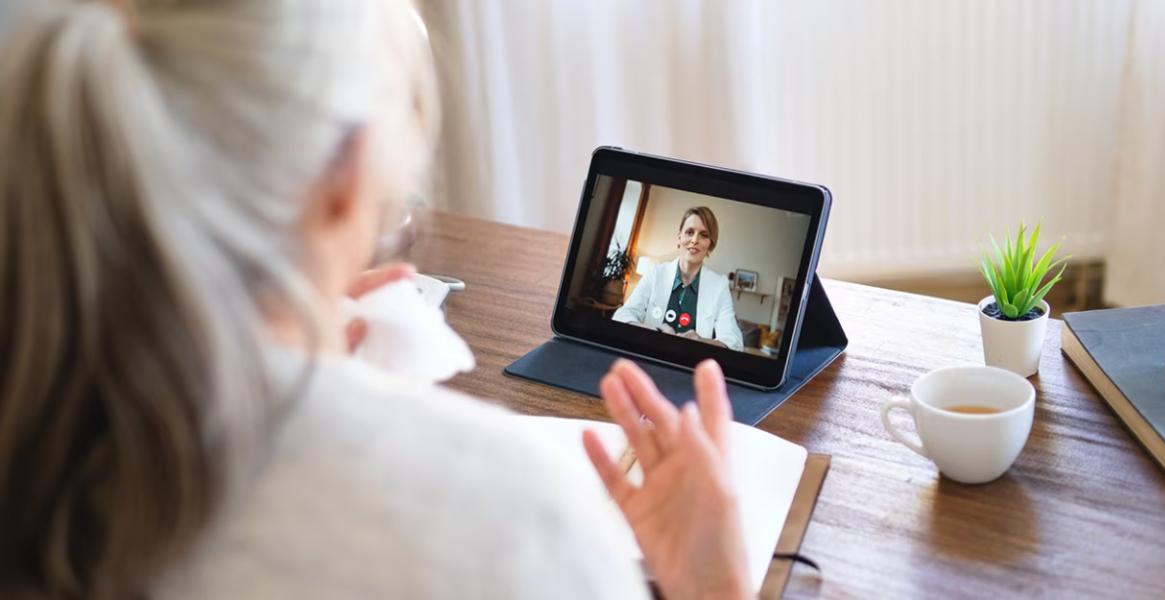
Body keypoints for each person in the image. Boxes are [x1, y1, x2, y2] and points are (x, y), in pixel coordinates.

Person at [0, 1, 752, 599]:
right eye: (680, 232)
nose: (686, 243)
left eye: (696, 236)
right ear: (345, 176)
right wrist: (711, 587)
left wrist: (300, 332)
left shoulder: (33, 430)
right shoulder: (515, 520)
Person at [613, 207, 744, 351]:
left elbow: (734, 342)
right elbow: (622, 315)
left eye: (704, 235)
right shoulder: (656, 273)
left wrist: (700, 341)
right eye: (689, 232)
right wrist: (655, 333)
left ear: (710, 244)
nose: (695, 240)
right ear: (680, 237)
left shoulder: (719, 285)